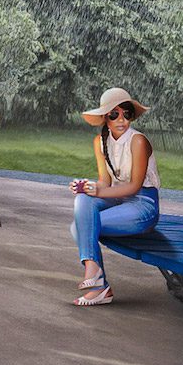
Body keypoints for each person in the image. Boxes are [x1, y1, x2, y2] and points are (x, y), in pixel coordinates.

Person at [68, 87, 160, 306]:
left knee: (80, 228)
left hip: (142, 205)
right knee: (82, 200)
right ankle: (97, 279)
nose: (121, 119)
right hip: (117, 200)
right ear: (104, 118)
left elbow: (134, 187)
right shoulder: (100, 143)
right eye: (114, 114)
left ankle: (97, 282)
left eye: (126, 113)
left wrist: (98, 191)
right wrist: (87, 187)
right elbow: (104, 183)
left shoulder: (138, 141)